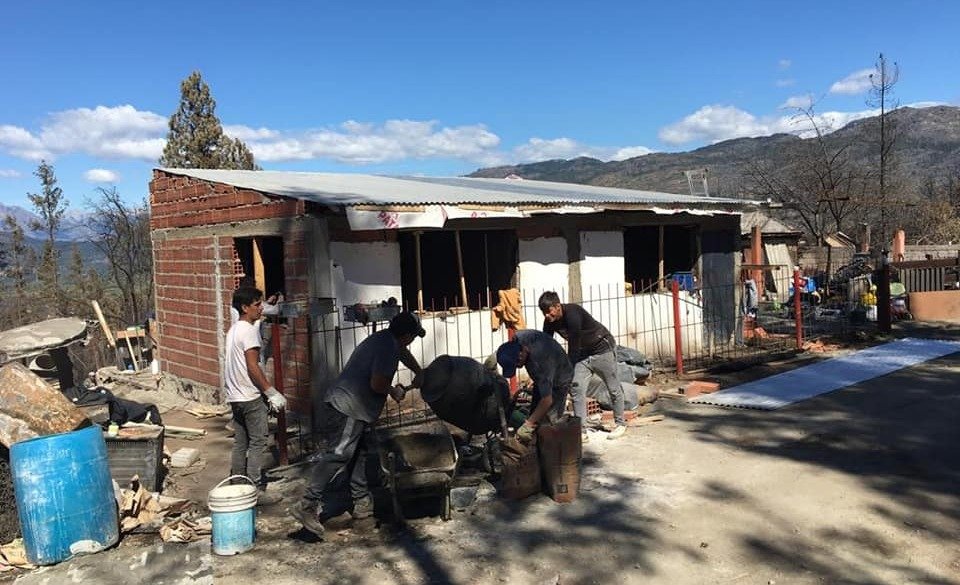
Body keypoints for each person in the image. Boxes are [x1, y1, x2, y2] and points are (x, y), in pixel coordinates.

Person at [291, 311, 426, 537]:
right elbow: (377, 383)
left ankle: (361, 504)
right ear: (406, 335)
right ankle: (307, 504)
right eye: (412, 337)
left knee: (360, 454)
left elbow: (403, 353)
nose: (411, 341)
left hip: (355, 407)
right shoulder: (388, 347)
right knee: (340, 454)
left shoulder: (385, 339)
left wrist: (419, 371)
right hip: (350, 408)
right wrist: (394, 391)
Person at [224, 286, 287, 505]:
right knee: (259, 441)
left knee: (241, 442)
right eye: (257, 304)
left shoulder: (234, 330)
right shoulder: (249, 332)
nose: (262, 308)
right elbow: (253, 366)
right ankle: (254, 488)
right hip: (249, 395)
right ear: (244, 307)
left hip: (234, 395)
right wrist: (270, 392)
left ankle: (237, 483)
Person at [538, 291, 626, 441]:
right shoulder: (549, 321)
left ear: (557, 306)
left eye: (549, 311)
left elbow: (573, 346)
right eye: (543, 312)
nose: (546, 315)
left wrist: (566, 370)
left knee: (613, 388)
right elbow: (547, 345)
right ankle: (582, 430)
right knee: (577, 388)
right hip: (583, 354)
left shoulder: (573, 314)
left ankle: (620, 423)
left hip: (602, 349)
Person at [495, 329, 573, 444]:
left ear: (522, 353)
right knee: (535, 414)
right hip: (544, 373)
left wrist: (528, 424)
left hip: (560, 379)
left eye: (517, 363)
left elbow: (547, 400)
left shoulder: (539, 364)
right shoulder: (518, 339)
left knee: (549, 422)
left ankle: (552, 451)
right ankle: (535, 442)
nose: (517, 367)